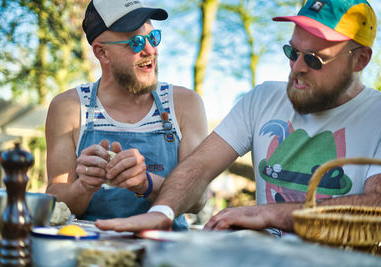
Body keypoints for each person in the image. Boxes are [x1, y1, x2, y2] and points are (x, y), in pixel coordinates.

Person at [94, 0, 381, 235]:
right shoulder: (263, 99)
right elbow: (199, 166)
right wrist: (162, 211)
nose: (297, 67)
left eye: (314, 59)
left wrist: (268, 213)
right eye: (292, 52)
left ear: (360, 59)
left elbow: (376, 207)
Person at [45, 0, 208, 231]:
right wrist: (84, 187)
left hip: (167, 250)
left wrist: (145, 183)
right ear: (102, 53)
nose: (150, 50)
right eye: (136, 42)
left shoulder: (184, 104)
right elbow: (56, 200)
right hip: (93, 249)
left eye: (153, 38)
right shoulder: (69, 108)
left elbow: (199, 199)